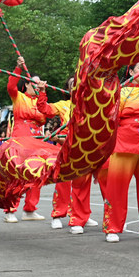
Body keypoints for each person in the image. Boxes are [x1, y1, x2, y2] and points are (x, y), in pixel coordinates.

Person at [100, 61, 139, 243]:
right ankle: (112, 227)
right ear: (130, 71)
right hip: (126, 141)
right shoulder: (122, 91)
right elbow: (111, 119)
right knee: (118, 186)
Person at [3, 57, 55, 222]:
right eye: (35, 83)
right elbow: (11, 85)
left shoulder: (40, 101)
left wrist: (43, 92)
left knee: (37, 175)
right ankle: (10, 210)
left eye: (40, 83)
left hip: (38, 140)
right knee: (18, 175)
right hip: (21, 139)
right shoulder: (19, 97)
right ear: (26, 84)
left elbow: (46, 112)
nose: (38, 85)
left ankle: (30, 209)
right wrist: (18, 69)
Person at [49, 78, 99, 233]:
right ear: (68, 90)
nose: (76, 87)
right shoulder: (62, 105)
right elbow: (45, 109)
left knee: (84, 182)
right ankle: (58, 214)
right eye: (72, 85)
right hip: (66, 146)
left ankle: (81, 214)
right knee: (63, 182)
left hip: (83, 148)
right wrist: (42, 91)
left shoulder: (89, 105)